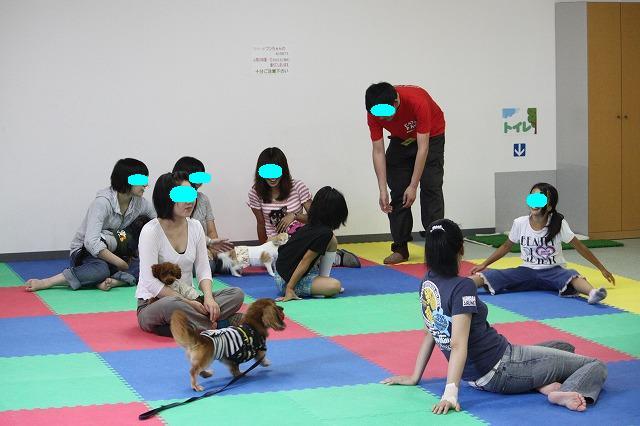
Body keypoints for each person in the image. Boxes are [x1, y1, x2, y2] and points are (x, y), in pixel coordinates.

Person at [382, 219, 607, 414]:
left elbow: (431, 331)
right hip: (502, 368)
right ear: (461, 249)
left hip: (476, 375)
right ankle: (568, 392)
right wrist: (450, 394)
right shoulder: (462, 287)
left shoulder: (427, 283)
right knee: (595, 365)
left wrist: (415, 376)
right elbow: (458, 344)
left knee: (564, 346)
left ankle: (544, 385)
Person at [135, 172, 244, 337]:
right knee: (172, 304)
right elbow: (150, 282)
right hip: (155, 303)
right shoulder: (150, 231)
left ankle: (191, 325)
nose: (190, 201)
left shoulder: (195, 226)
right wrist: (188, 303)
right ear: (166, 198)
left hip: (192, 298)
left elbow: (203, 269)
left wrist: (208, 298)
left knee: (236, 294)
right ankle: (219, 323)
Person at [470, 183, 615, 304]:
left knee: (572, 275)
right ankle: (464, 286)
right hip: (526, 271)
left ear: (550, 206)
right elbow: (506, 246)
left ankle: (593, 293)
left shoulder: (558, 224)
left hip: (553, 271)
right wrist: (484, 264)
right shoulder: (520, 223)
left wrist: (601, 268)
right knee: (495, 274)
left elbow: (580, 247)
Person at [25, 158, 156, 292]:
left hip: (114, 250)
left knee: (148, 267)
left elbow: (158, 220)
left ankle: (113, 281)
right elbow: (91, 242)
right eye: (141, 180)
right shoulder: (102, 203)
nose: (146, 185)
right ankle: (47, 282)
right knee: (100, 270)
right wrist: (119, 262)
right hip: (85, 251)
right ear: (126, 180)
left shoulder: (139, 202)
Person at [366, 82, 446, 264]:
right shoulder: (374, 111)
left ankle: (436, 248)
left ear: (395, 103)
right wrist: (382, 190)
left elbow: (423, 148)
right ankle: (400, 248)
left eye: (385, 115)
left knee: (431, 187)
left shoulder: (418, 101)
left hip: (431, 137)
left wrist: (413, 185)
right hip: (401, 138)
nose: (382, 119)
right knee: (397, 190)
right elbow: (378, 150)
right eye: (378, 115)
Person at [248, 147, 359, 267]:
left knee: (300, 257)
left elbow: (316, 219)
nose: (272, 178)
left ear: (284, 170)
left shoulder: (297, 187)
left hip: (298, 238)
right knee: (281, 261)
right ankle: (322, 259)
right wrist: (262, 251)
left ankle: (336, 257)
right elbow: (261, 223)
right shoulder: (255, 193)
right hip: (275, 242)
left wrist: (295, 216)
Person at [274, 186, 349, 302]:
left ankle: (322, 281)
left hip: (283, 272)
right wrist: (290, 288)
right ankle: (317, 288)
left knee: (333, 240)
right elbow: (305, 261)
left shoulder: (314, 225)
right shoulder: (324, 233)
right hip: (286, 281)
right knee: (335, 286)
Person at [172, 156, 234, 273]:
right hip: (184, 251)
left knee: (234, 260)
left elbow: (212, 232)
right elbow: (179, 235)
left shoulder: (203, 199)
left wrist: (215, 249)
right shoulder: (173, 200)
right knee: (210, 266)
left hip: (206, 246)